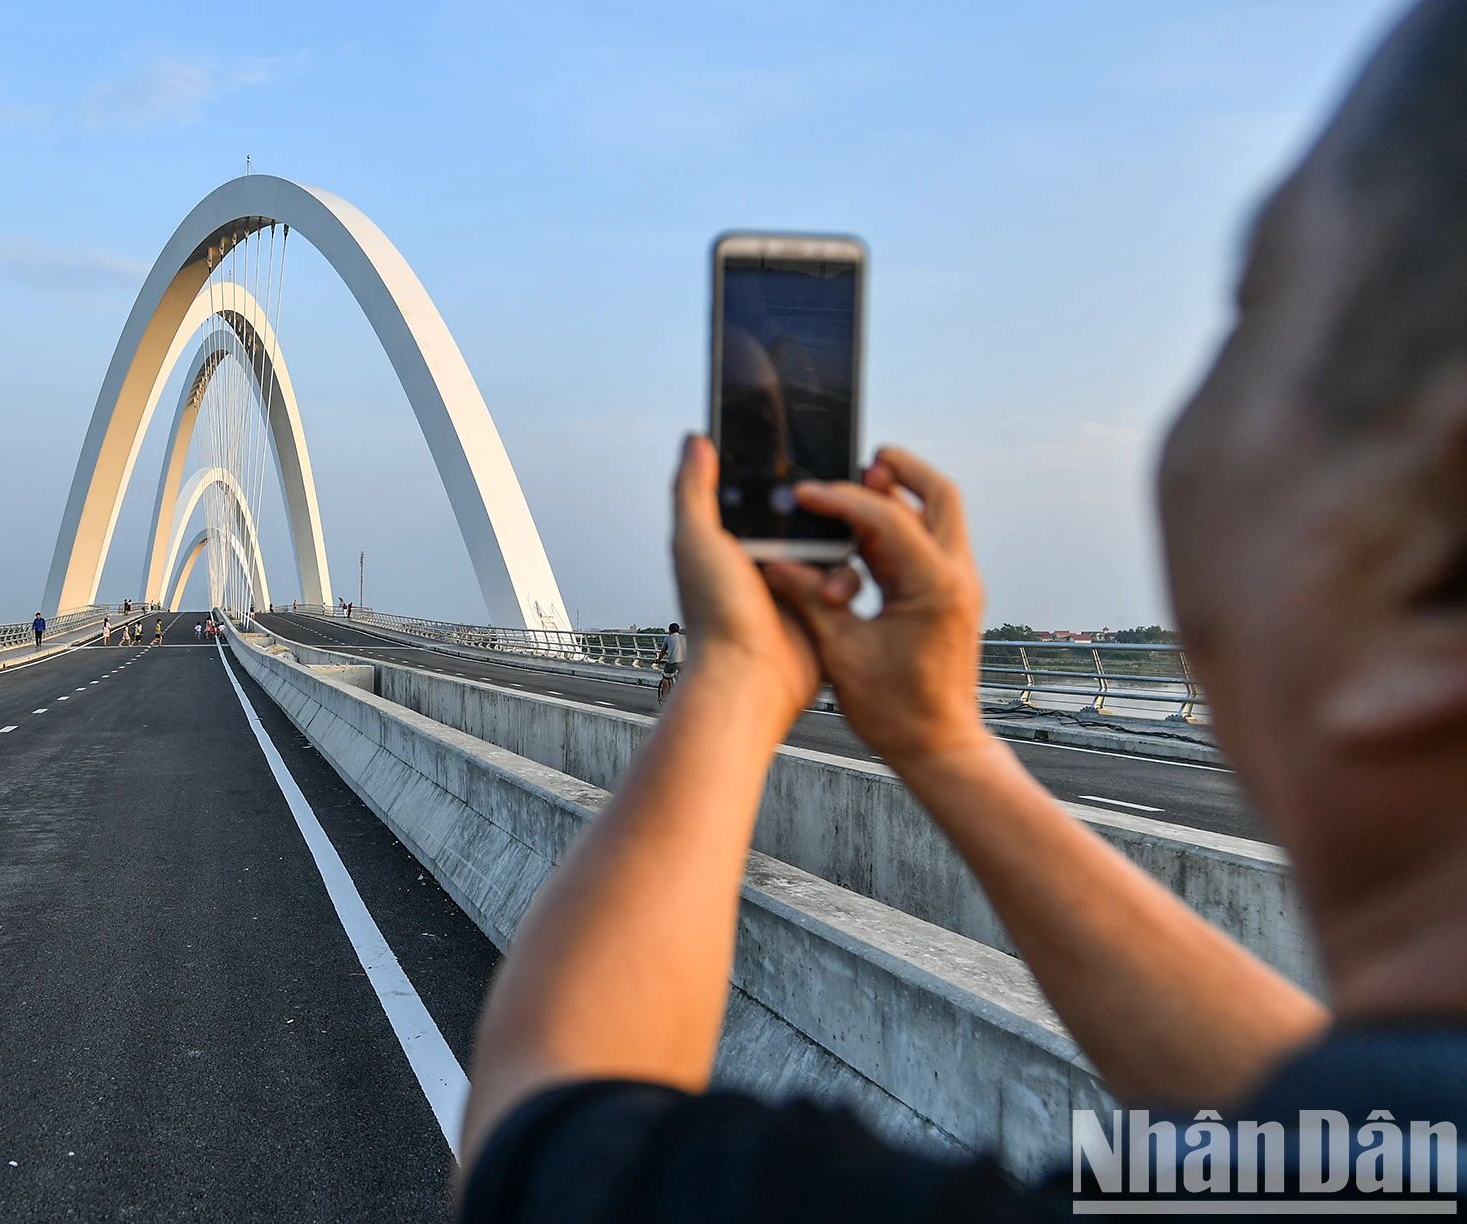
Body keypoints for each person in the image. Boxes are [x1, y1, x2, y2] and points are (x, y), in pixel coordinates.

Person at [457, 4, 1467, 1217]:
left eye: (1246, 309)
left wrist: (736, 677)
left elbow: (539, 1134)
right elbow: (1336, 1154)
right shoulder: (1368, 1177)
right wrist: (943, 741)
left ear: (1432, 555)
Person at [652, 622, 686, 704]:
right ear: (678, 630)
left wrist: (658, 660)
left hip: (673, 662)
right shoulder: (684, 638)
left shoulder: (667, 638)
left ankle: (664, 696)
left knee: (666, 677)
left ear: (670, 631)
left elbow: (663, 652)